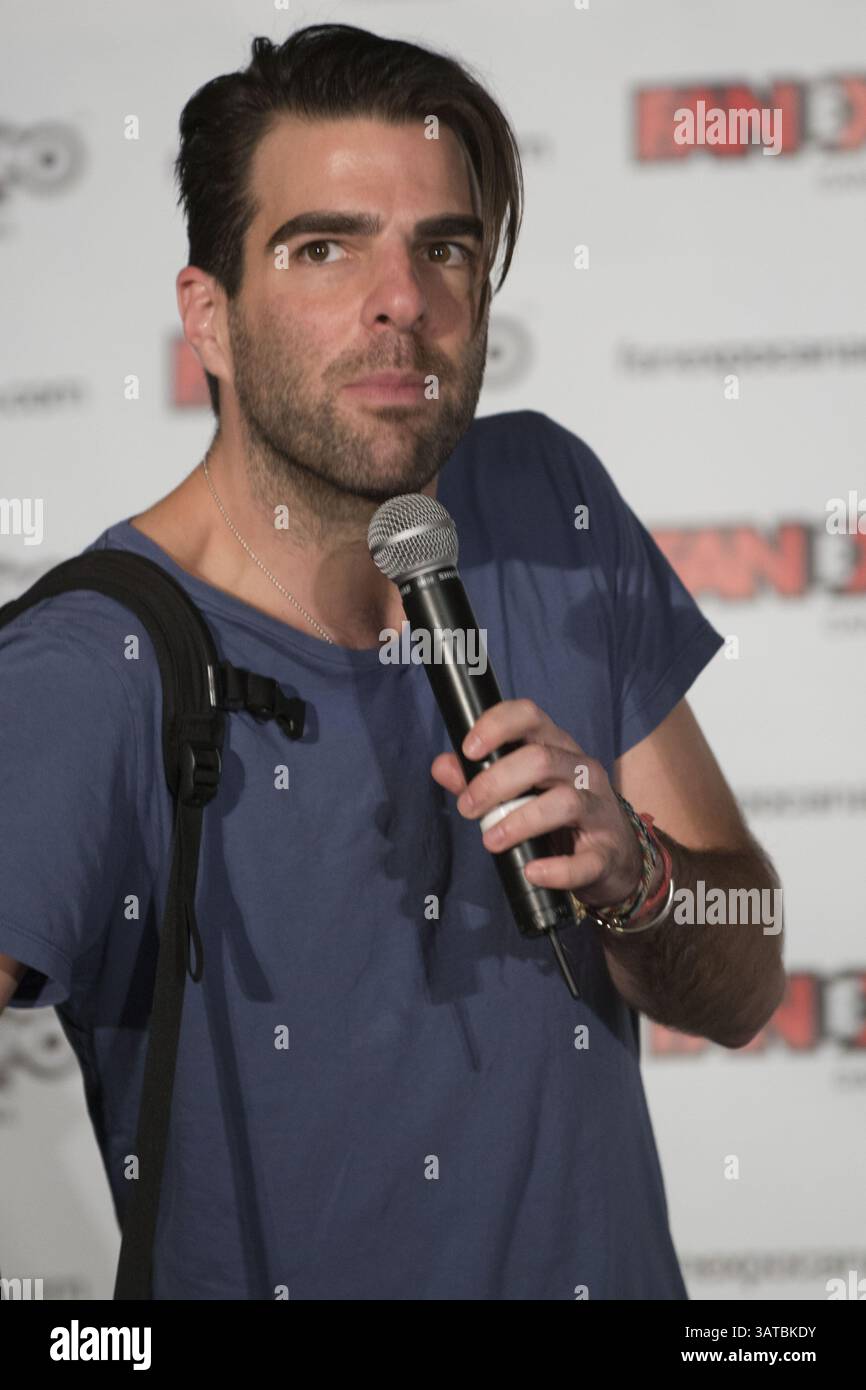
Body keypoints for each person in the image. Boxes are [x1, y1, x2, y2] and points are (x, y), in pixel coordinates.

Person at [0, 23, 784, 1300]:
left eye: (443, 248)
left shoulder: (545, 500)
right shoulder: (88, 670)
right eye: (323, 246)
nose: (400, 301)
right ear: (209, 315)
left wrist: (635, 874)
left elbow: (744, 977)